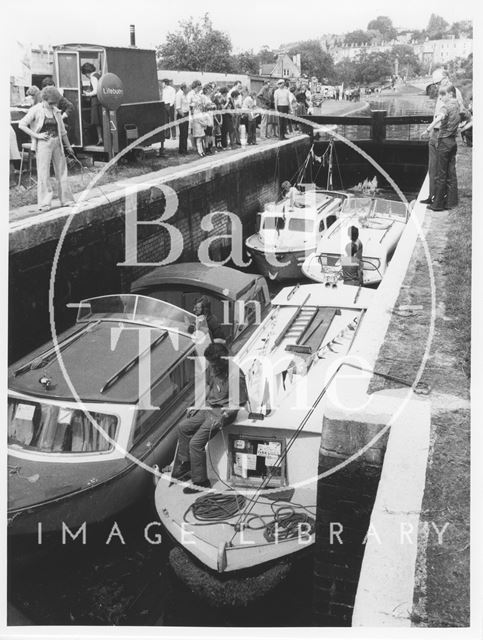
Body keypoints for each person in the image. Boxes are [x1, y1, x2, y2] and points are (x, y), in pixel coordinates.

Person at [172, 342, 248, 493]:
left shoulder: (235, 374)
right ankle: (187, 464)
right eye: (210, 363)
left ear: (222, 360)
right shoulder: (213, 367)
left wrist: (224, 416)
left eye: (213, 363)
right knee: (183, 428)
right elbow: (209, 387)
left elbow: (238, 403)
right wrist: (199, 406)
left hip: (223, 413)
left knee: (195, 443)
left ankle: (201, 482)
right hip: (210, 408)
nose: (211, 366)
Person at [19, 86, 75, 211]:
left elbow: (62, 131)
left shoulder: (56, 111)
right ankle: (45, 203)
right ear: (44, 99)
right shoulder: (35, 110)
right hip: (43, 144)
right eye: (50, 103)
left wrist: (69, 146)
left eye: (55, 103)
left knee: (62, 171)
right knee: (43, 173)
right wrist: (37, 135)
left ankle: (66, 200)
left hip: (57, 143)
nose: (53, 105)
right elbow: (21, 124)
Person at [422, 85, 460, 212]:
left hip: (444, 141)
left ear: (450, 94)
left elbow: (440, 117)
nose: (441, 97)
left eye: (443, 94)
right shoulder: (457, 105)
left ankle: (437, 204)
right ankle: (451, 202)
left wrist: (428, 129)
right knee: (451, 173)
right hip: (453, 142)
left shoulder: (446, 106)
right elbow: (465, 116)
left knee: (441, 174)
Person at [81, 62, 103, 146]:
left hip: (95, 101)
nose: (86, 76)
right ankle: (101, 138)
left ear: (87, 72)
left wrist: (87, 94)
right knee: (100, 120)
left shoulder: (93, 77)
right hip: (100, 100)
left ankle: (100, 138)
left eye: (85, 74)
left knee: (96, 121)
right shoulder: (98, 75)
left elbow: (96, 91)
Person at [175, 83, 190, 154]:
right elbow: (178, 108)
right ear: (183, 88)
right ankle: (182, 150)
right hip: (182, 115)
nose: (188, 90)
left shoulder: (184, 94)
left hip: (186, 114)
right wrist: (183, 116)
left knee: (185, 133)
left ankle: (184, 149)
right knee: (183, 133)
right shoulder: (179, 95)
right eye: (187, 88)